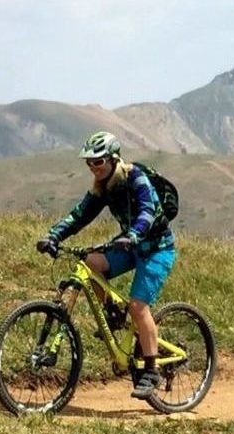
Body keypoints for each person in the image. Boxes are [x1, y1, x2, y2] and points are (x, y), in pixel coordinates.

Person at [34, 131, 176, 399]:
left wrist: (133, 234)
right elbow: (79, 215)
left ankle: (151, 370)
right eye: (88, 163)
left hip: (158, 249)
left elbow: (148, 210)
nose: (92, 167)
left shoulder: (135, 177)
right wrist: (53, 236)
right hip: (130, 246)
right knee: (91, 263)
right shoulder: (102, 187)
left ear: (113, 159)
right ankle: (111, 313)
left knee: (138, 306)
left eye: (97, 162)